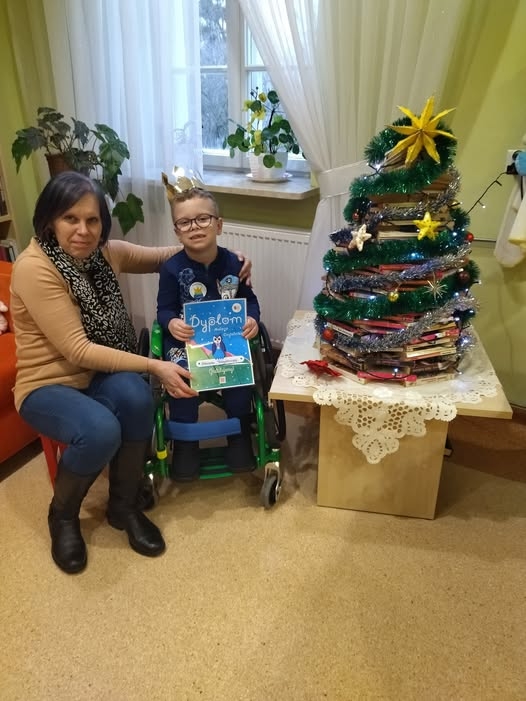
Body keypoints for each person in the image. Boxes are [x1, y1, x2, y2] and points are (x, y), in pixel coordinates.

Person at [10, 171, 252, 575]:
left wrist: (230, 258)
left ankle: (122, 508)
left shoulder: (104, 254)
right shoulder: (35, 268)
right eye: (71, 218)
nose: (84, 230)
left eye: (93, 220)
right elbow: (77, 350)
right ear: (50, 220)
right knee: (101, 429)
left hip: (97, 374)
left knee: (139, 397)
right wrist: (156, 365)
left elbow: (170, 256)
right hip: (48, 383)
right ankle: (63, 516)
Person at [157, 179, 260, 482]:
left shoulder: (234, 264)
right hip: (186, 341)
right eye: (185, 222)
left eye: (203, 218)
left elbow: (250, 301)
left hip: (228, 339)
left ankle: (239, 435)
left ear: (219, 225)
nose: (195, 227)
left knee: (238, 371)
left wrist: (252, 320)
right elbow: (163, 310)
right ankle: (186, 442)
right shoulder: (171, 269)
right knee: (181, 376)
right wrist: (171, 322)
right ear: (177, 231)